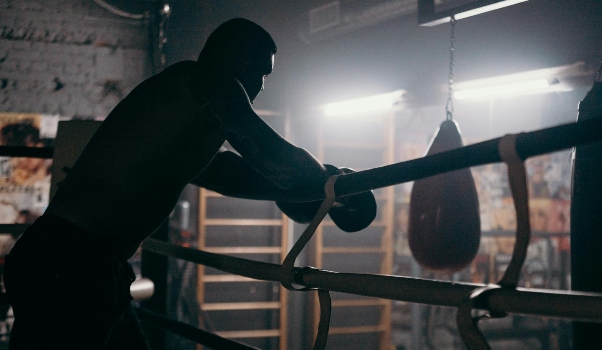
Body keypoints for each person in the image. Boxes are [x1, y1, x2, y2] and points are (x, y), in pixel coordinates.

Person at [3, 18, 366, 349]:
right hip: (72, 264)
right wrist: (333, 184)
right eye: (262, 73)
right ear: (244, 63)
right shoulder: (211, 83)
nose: (261, 86)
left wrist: (309, 188)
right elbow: (275, 158)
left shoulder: (183, 102)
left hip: (83, 262)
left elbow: (226, 173)